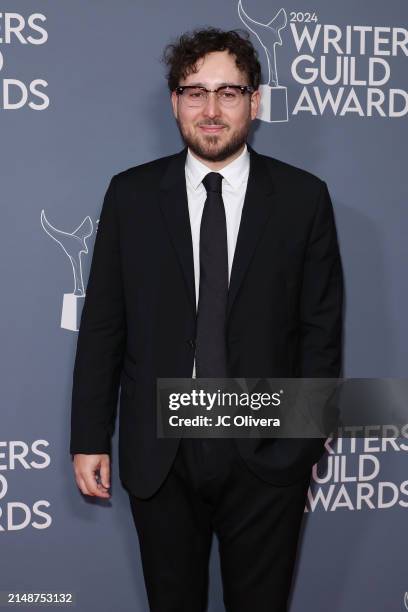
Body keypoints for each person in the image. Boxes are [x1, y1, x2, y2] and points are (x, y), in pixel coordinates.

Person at [70, 27, 343, 612]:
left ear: (256, 101)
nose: (211, 110)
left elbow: (321, 332)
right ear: (174, 102)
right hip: (160, 453)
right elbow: (103, 326)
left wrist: (299, 445)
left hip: (266, 451)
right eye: (195, 92)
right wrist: (90, 436)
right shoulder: (131, 195)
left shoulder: (303, 198)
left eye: (228, 91)